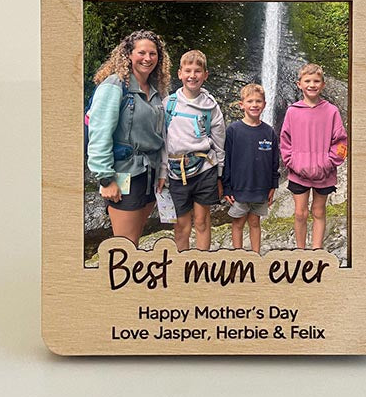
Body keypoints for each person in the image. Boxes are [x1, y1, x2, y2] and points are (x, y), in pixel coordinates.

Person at [86, 29, 170, 246]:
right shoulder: (114, 86)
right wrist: (105, 178)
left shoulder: (155, 92)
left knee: (134, 239)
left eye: (153, 54)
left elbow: (161, 137)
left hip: (148, 175)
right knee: (125, 245)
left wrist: (162, 171)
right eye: (142, 53)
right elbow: (100, 133)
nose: (148, 58)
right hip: (124, 174)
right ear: (129, 55)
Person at [160, 50, 225, 251]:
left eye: (198, 71)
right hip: (176, 172)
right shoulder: (168, 104)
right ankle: (182, 265)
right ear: (179, 73)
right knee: (181, 225)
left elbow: (219, 143)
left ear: (205, 75)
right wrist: (162, 172)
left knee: (202, 221)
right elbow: (161, 141)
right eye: (188, 70)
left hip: (205, 169)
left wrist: (220, 175)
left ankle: (201, 265)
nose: (192, 75)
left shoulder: (211, 107)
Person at [279, 63, 348, 251]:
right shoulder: (292, 111)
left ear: (323, 85)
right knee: (300, 213)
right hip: (298, 172)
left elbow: (341, 142)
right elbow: (284, 140)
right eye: (307, 81)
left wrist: (328, 162)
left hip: (324, 172)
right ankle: (301, 251)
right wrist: (291, 162)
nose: (312, 85)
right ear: (299, 84)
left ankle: (317, 250)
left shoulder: (331, 111)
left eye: (316, 81)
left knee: (318, 210)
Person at [223, 83, 280, 253]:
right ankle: (238, 256)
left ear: (265, 104)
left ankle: (256, 255)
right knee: (238, 222)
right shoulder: (233, 130)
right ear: (242, 105)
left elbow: (274, 162)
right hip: (240, 188)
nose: (254, 105)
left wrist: (273, 186)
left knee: (255, 222)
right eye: (250, 101)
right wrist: (227, 187)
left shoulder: (269, 132)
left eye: (258, 101)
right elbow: (227, 160)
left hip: (261, 189)